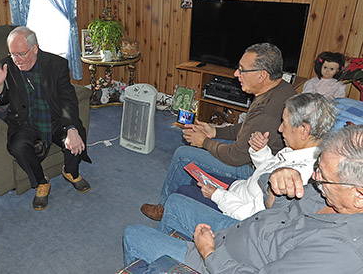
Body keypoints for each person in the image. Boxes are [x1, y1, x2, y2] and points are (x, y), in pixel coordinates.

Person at [123, 124, 363, 272]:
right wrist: (277, 181)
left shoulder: (339, 251)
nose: (314, 176)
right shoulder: (331, 195)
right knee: (175, 204)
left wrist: (210, 254)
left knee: (134, 234)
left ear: (359, 196)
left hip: (222, 260)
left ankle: (181, 264)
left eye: (322, 175)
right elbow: (276, 208)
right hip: (243, 230)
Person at [142, 93, 336, 246]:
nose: (279, 128)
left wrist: (217, 195)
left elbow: (254, 217)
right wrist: (261, 151)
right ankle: (184, 229)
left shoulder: (296, 180)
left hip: (240, 221)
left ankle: (179, 252)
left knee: (179, 197)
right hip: (240, 191)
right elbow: (267, 172)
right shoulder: (300, 151)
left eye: (284, 123)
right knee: (193, 178)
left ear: (304, 130)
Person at [140, 43, 297, 221]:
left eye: (242, 70)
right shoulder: (278, 88)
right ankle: (184, 198)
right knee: (204, 148)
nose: (236, 74)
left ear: (262, 75)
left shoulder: (268, 110)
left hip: (252, 169)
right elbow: (247, 129)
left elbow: (236, 157)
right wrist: (215, 132)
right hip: (254, 155)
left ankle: (165, 207)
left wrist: (204, 142)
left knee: (183, 154)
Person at [0, 26, 92, 210]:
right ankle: (41, 182)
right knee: (17, 146)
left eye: (21, 54)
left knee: (78, 135)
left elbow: (67, 98)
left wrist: (71, 129)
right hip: (25, 122)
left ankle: (69, 172)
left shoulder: (56, 64)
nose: (16, 60)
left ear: (35, 48)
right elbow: (1, 100)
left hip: (54, 119)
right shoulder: (7, 66)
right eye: (13, 54)